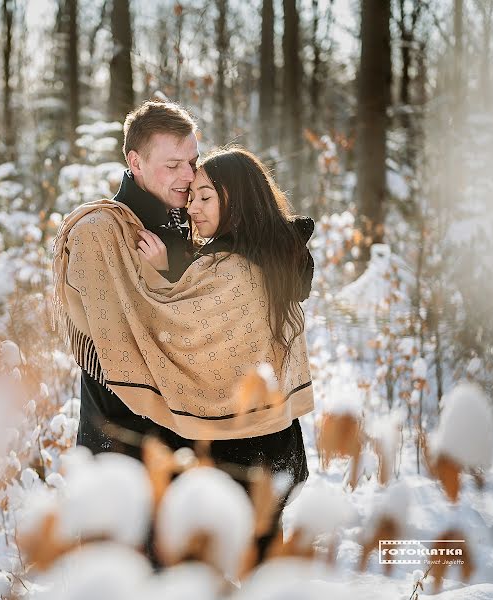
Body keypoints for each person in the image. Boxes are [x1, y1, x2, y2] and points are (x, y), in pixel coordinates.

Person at [139, 146, 315, 560]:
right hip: (279, 437)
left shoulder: (227, 268)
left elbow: (180, 330)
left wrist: (162, 276)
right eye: (192, 197)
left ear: (235, 199)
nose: (193, 208)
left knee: (236, 563)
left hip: (236, 446)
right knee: (265, 559)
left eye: (206, 197)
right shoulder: (277, 255)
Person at [70, 100, 201, 457]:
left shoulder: (198, 216)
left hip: (185, 441)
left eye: (191, 163)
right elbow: (113, 349)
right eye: (173, 165)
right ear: (135, 162)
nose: (188, 176)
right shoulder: (101, 233)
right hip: (119, 441)